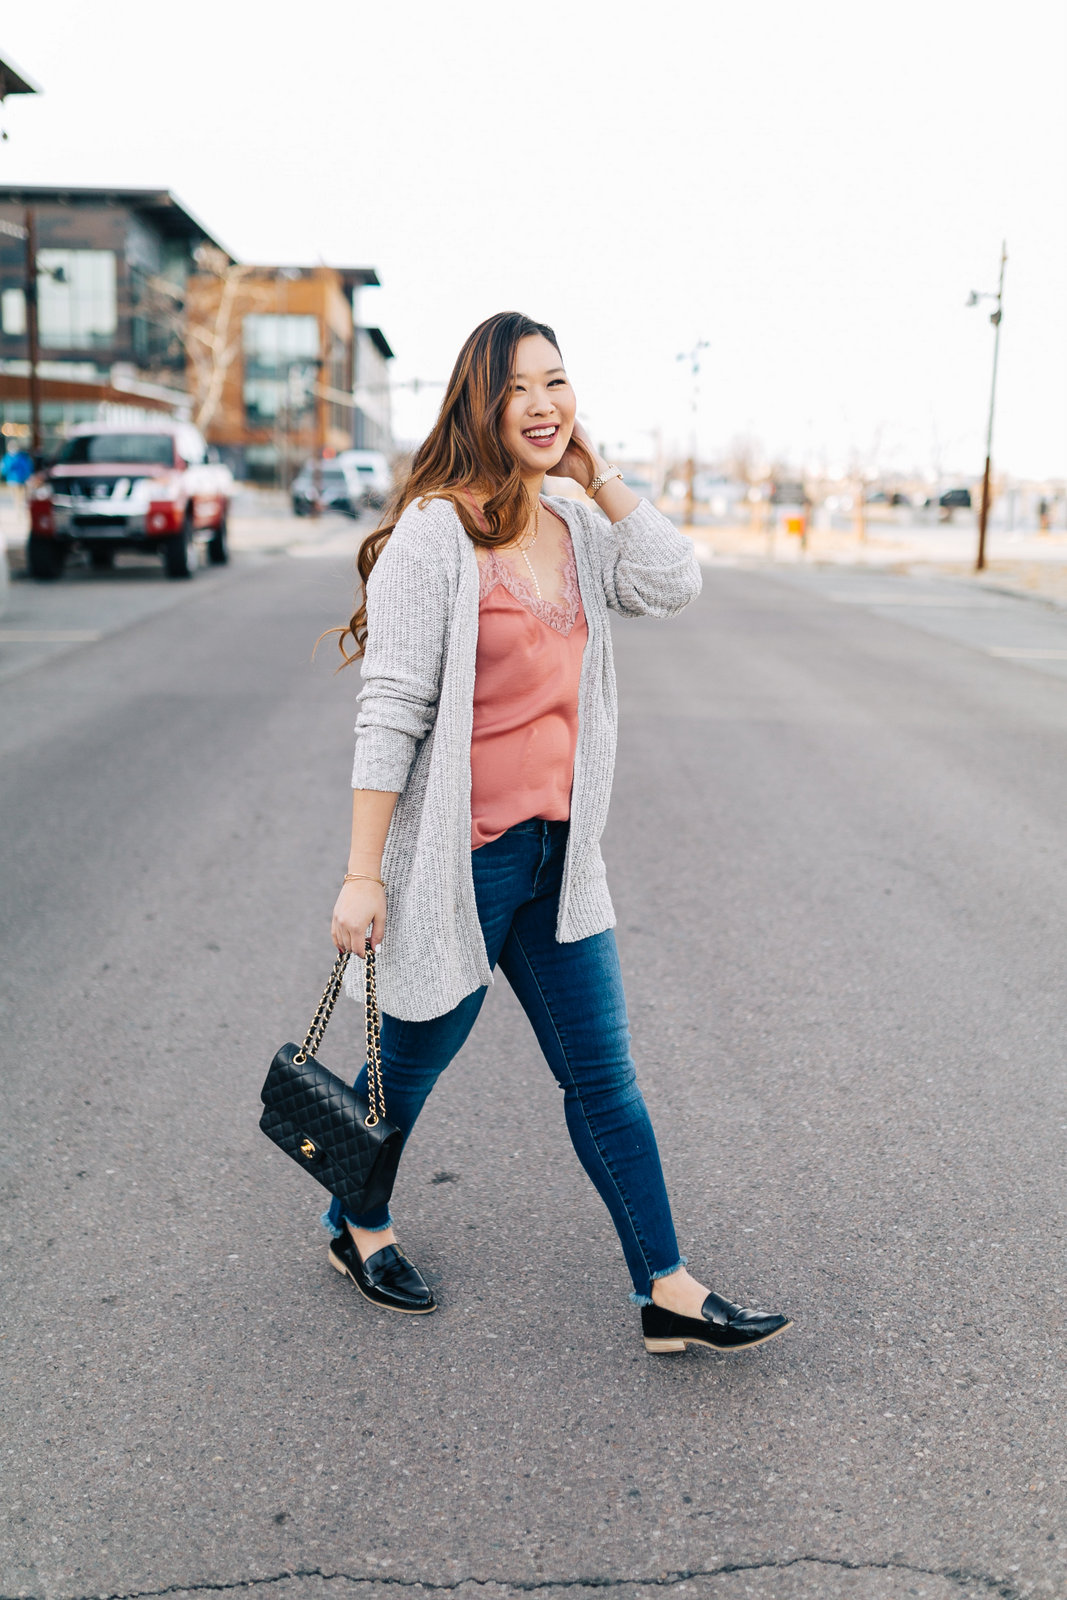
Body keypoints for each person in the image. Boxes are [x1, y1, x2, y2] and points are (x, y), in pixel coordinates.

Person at [324, 312, 790, 1357]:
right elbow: (389, 707)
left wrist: (601, 472)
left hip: (556, 860)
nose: (542, 404)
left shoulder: (577, 526)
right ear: (476, 403)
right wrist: (363, 876)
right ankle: (354, 1222)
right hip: (458, 865)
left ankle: (665, 1289)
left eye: (558, 383)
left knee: (603, 1080)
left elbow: (673, 579)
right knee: (405, 1065)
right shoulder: (433, 536)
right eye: (518, 388)